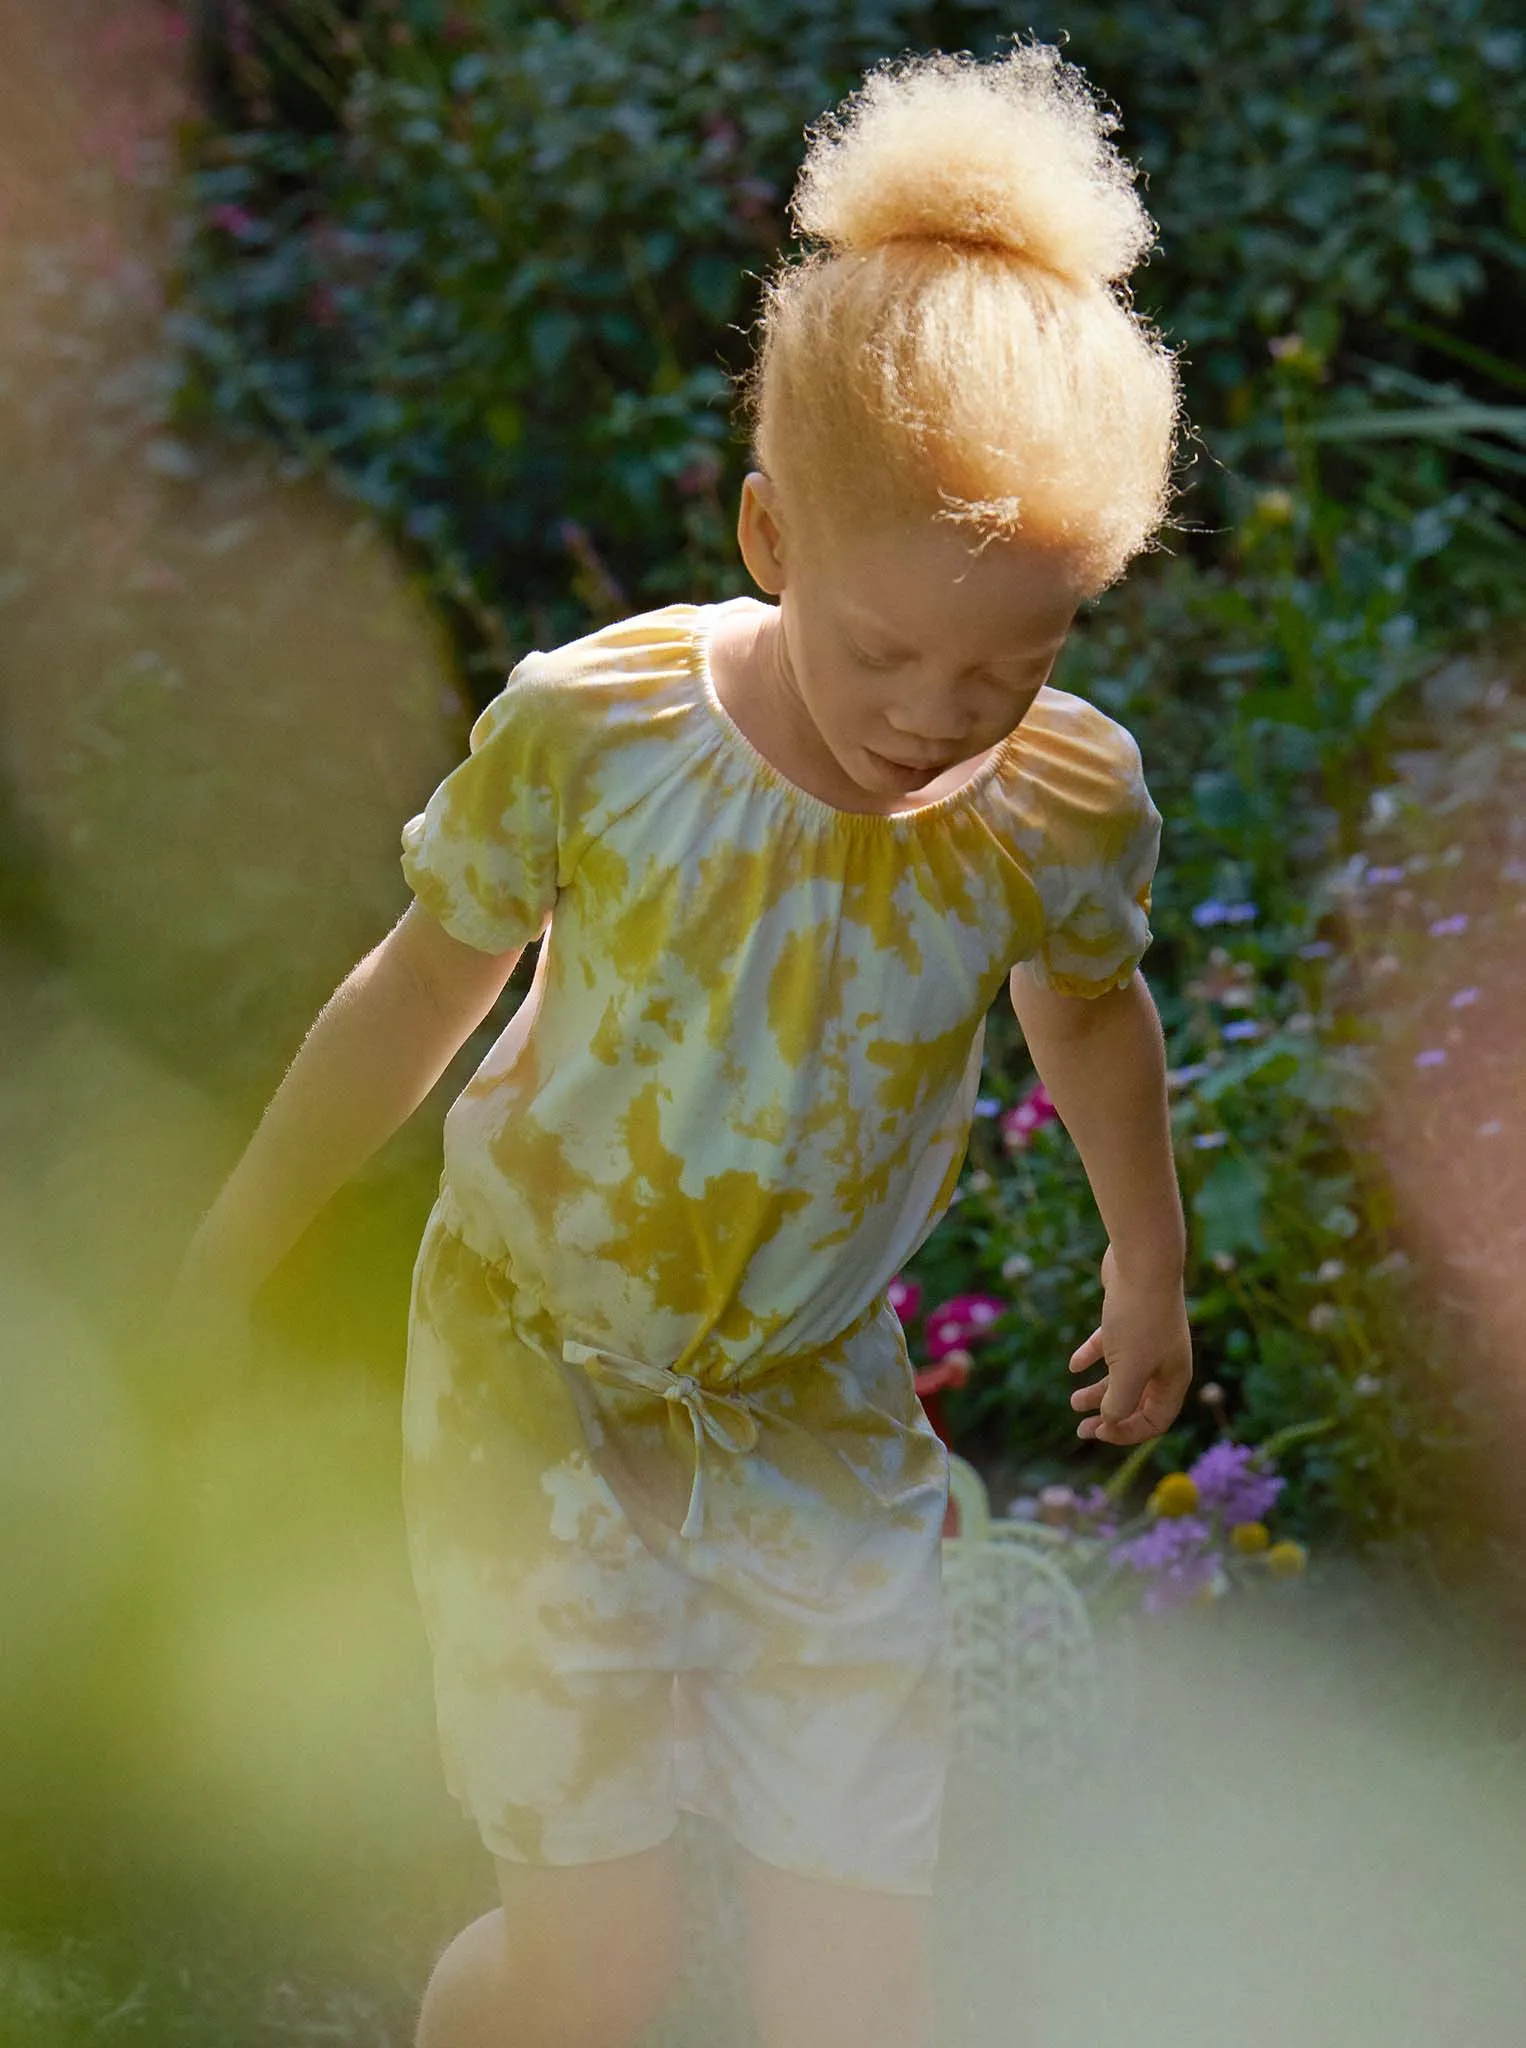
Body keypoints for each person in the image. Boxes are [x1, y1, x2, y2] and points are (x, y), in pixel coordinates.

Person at [169, 36, 1193, 2048]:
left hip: (808, 1408)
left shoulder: (1056, 799)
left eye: (1011, 659)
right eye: (890, 647)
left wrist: (1142, 1253)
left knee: (854, 1981)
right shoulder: (602, 734)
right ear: (769, 535)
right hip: (539, 1385)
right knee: (594, 1969)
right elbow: (415, 988)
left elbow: (1088, 1004)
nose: (935, 712)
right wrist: (243, 1240)